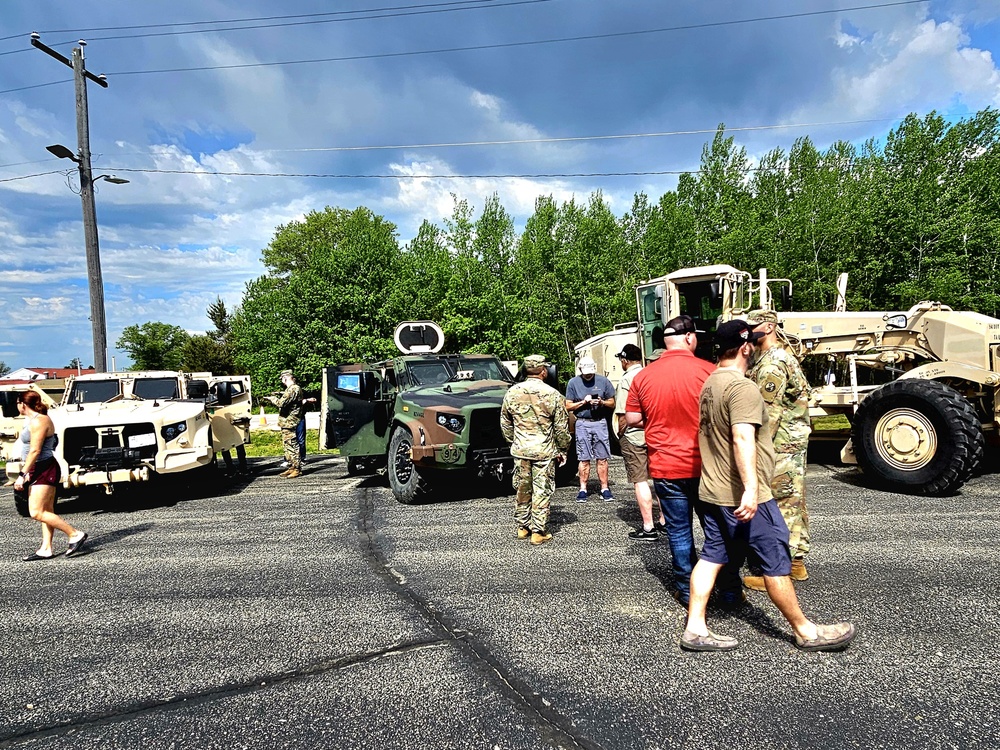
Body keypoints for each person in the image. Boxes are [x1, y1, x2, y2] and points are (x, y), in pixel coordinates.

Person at [681, 320, 855, 652]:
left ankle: (695, 627)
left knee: (712, 556)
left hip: (713, 491)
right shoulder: (742, 387)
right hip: (747, 495)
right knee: (775, 560)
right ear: (745, 346)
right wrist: (750, 489)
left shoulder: (711, 383)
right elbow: (742, 437)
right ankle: (805, 631)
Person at [625, 315, 716, 605]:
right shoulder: (709, 371)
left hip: (666, 466)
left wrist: (657, 420)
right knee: (716, 530)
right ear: (689, 337)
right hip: (706, 467)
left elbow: (632, 418)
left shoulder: (643, 376)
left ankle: (687, 590)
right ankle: (727, 588)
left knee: (679, 532)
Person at [744, 309, 812, 589]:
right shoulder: (776, 358)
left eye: (754, 326)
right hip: (789, 445)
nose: (750, 331)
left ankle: (778, 571)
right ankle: (795, 563)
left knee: (781, 506)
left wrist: (755, 451)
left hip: (780, 446)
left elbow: (768, 415)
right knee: (794, 502)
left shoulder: (773, 363)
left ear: (769, 326)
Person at [500, 355, 572, 546]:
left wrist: (513, 443)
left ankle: (523, 526)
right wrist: (563, 449)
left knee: (523, 488)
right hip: (544, 451)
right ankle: (538, 531)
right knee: (541, 490)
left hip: (521, 449)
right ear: (543, 371)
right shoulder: (553, 394)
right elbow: (561, 428)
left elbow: (505, 423)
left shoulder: (512, 392)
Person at [15, 391, 88, 561]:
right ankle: (46, 548)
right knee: (47, 511)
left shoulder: (40, 421)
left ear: (22, 404)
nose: (16, 406)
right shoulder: (34, 420)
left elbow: (35, 450)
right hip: (37, 468)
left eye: (17, 402)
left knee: (36, 512)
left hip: (44, 468)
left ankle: (75, 534)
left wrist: (22, 474)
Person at [613, 343, 666, 541]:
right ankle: (664, 521)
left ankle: (648, 527)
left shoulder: (627, 379)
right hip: (655, 433)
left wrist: (620, 434)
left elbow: (624, 414)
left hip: (634, 435)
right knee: (659, 478)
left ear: (625, 360)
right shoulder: (651, 376)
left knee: (640, 480)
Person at [565, 356, 615, 502]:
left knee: (602, 457)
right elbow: (568, 406)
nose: (588, 375)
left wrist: (601, 402)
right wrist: (583, 402)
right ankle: (583, 489)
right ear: (580, 370)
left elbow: (612, 402)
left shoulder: (603, 381)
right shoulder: (573, 383)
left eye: (590, 373)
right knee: (583, 457)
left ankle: (604, 488)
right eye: (586, 373)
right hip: (582, 422)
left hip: (600, 422)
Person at [265, 370, 304, 478]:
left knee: (292, 445)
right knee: (287, 445)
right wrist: (279, 394)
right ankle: (291, 466)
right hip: (287, 422)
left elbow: (281, 403)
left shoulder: (293, 389)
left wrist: (272, 398)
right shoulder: (292, 389)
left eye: (282, 379)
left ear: (285, 378)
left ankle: (297, 468)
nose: (282, 381)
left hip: (290, 421)